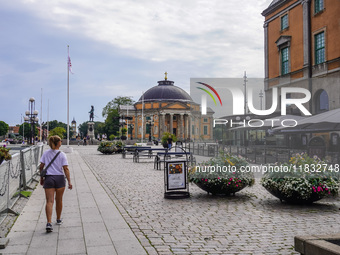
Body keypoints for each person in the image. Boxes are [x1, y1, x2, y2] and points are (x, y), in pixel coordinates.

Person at [39, 135, 72, 233]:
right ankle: (58, 219)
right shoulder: (62, 154)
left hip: (49, 178)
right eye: (60, 141)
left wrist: (41, 177)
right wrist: (69, 181)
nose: (61, 142)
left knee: (49, 201)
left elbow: (41, 166)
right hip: (59, 178)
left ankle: (49, 222)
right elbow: (66, 168)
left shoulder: (46, 153)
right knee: (59, 200)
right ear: (58, 143)